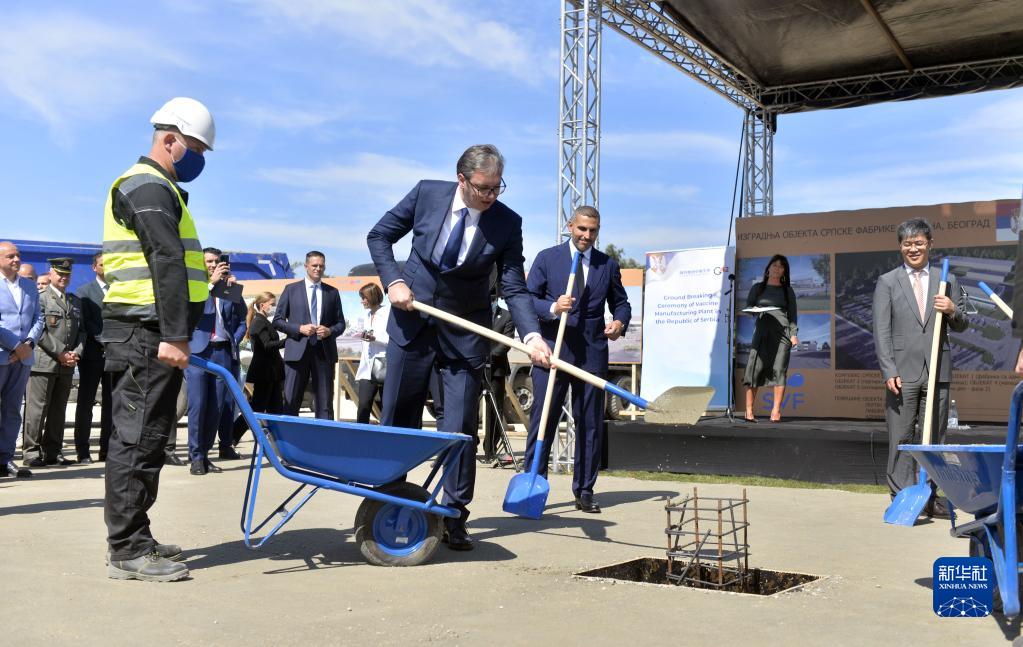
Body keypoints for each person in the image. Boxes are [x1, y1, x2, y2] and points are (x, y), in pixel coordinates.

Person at [367, 144, 552, 551]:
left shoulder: (506, 222)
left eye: (497, 188)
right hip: (412, 321)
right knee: (398, 417)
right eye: (483, 188)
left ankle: (453, 515)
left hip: (465, 332)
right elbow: (379, 236)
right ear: (461, 179)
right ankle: (390, 504)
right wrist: (394, 281)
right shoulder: (426, 194)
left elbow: (513, 285)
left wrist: (532, 335)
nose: (490, 196)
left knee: (460, 426)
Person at [101, 97, 215, 581]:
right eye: (196, 149)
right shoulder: (147, 185)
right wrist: (175, 335)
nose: (199, 160)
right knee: (138, 437)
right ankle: (127, 549)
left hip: (150, 331)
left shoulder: (162, 187)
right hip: (145, 332)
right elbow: (165, 260)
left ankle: (137, 537)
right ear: (170, 140)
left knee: (149, 437)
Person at [523, 206, 631, 514]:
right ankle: (532, 488)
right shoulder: (547, 258)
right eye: (582, 229)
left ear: (598, 231)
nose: (586, 235)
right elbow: (528, 300)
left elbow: (621, 303)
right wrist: (553, 307)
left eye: (592, 230)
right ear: (570, 226)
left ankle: (584, 490)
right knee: (543, 421)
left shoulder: (606, 264)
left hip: (591, 355)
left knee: (590, 424)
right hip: (553, 352)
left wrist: (619, 322)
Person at [873, 218, 969, 519]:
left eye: (918, 243)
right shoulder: (888, 282)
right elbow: (881, 331)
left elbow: (963, 323)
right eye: (907, 243)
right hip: (902, 373)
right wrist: (889, 370)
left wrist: (951, 309)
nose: (913, 248)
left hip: (938, 370)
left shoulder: (946, 279)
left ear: (930, 244)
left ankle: (929, 497)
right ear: (900, 247)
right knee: (901, 437)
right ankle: (902, 497)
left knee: (934, 439)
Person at [184, 247, 247, 475]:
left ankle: (205, 454)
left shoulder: (227, 287)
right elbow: (191, 310)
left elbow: (242, 319)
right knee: (198, 405)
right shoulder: (195, 285)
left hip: (222, 352)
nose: (213, 265)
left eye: (217, 261)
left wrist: (233, 340)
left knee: (217, 407)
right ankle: (195, 456)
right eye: (209, 261)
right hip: (198, 352)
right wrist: (210, 284)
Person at [22, 258, 83, 467]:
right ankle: (31, 453)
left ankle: (53, 452)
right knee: (37, 410)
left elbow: (82, 331)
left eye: (67, 274)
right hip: (44, 363)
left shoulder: (75, 302)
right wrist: (61, 352)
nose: (64, 278)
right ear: (51, 273)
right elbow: (39, 331)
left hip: (66, 365)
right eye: (60, 274)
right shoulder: (40, 298)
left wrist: (76, 353)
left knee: (58, 410)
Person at [273, 251, 346, 419]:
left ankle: (324, 435)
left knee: (325, 403)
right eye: (314, 265)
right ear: (306, 266)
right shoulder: (291, 290)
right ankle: (289, 434)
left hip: (324, 352)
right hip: (297, 352)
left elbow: (341, 323)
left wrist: (330, 331)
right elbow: (277, 321)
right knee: (291, 400)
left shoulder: (332, 292)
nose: (318, 269)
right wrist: (299, 328)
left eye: (321, 266)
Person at [0, 242, 42, 479]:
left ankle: (5, 459)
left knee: (13, 409)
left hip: (23, 359)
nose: (16, 259)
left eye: (18, 255)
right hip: (3, 354)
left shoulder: (29, 286)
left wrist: (29, 344)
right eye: (10, 256)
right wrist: (16, 346)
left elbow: (39, 318)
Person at [741, 255, 799, 423]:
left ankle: (776, 411)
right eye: (774, 265)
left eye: (781, 266)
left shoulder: (788, 291)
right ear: (768, 269)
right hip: (762, 332)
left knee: (779, 370)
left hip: (782, 334)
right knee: (755, 369)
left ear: (784, 271)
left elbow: (793, 314)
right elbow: (748, 307)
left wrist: (793, 334)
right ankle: (749, 411)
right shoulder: (757, 288)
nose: (777, 268)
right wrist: (755, 309)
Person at [230, 292, 285, 445]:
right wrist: (287, 342)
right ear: (262, 305)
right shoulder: (258, 322)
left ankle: (278, 442)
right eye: (272, 304)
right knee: (257, 408)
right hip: (264, 372)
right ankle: (232, 436)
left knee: (275, 408)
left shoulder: (263, 321)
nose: (274, 307)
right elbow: (266, 345)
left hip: (272, 373)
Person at [74, 252, 113, 463]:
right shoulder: (84, 292)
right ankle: (83, 450)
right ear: (94, 267)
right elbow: (84, 322)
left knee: (111, 404)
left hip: (114, 356)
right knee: (86, 403)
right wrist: (102, 338)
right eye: (102, 264)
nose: (107, 268)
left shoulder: (118, 290)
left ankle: (107, 449)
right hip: (92, 354)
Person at [481, 288, 514, 463]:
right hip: (477, 367)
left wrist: (490, 356)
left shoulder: (507, 316)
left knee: (495, 409)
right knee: (470, 408)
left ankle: (491, 448)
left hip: (496, 369)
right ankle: (470, 444)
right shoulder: (477, 314)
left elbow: (506, 343)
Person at [354, 283, 389, 424]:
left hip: (384, 366)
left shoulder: (388, 313)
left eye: (364, 298)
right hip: (367, 368)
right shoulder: (367, 315)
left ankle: (386, 434)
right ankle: (360, 435)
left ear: (372, 296)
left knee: (387, 407)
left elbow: (394, 340)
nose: (362, 301)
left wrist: (375, 338)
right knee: (363, 406)